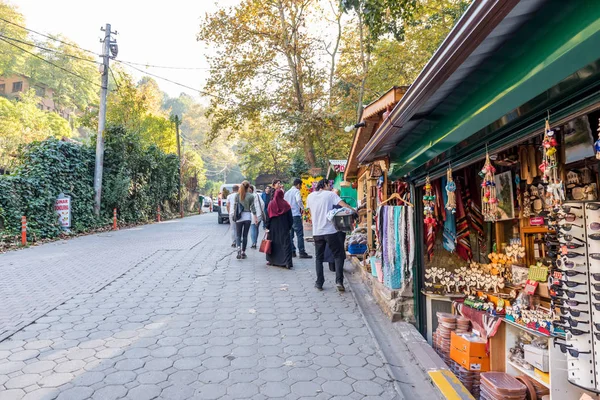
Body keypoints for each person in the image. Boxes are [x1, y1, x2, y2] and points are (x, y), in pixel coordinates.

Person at [306, 179, 353, 292]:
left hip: (317, 232)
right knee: (338, 255)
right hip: (330, 231)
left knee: (319, 258)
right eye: (329, 185)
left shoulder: (310, 196)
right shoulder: (330, 194)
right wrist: (354, 211)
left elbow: (311, 214)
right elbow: (344, 206)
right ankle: (339, 281)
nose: (330, 187)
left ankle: (319, 283)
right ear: (326, 185)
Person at [265, 182, 293, 269]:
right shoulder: (286, 204)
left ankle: (273, 261)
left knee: (274, 243)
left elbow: (268, 216)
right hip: (284, 226)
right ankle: (287, 262)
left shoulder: (271, 204)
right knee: (286, 244)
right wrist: (289, 226)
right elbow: (290, 218)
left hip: (273, 227)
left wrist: (267, 226)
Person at [284, 178, 312, 259]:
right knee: (299, 234)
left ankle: (292, 251)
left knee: (290, 234)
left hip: (288, 215)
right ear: (298, 184)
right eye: (300, 185)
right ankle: (302, 252)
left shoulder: (287, 193)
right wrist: (302, 208)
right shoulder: (296, 191)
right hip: (296, 215)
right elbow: (299, 200)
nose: (300, 187)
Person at [233, 181, 257, 259]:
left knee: (238, 235)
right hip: (247, 217)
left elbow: (235, 207)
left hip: (239, 217)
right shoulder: (251, 196)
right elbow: (253, 207)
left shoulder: (237, 195)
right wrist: (255, 217)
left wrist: (234, 215)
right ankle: (243, 252)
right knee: (245, 235)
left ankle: (238, 249)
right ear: (249, 187)